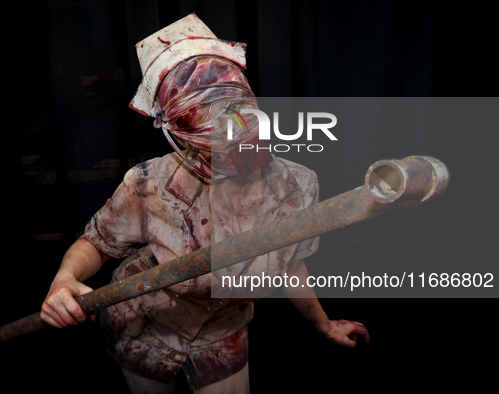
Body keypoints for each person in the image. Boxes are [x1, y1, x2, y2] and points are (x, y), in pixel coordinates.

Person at [41, 13, 369, 394]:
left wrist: (323, 324)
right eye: (212, 128)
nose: (235, 135)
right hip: (141, 324)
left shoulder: (298, 185)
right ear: (181, 134)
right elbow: (96, 243)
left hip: (223, 330)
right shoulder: (148, 184)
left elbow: (289, 261)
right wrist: (64, 280)